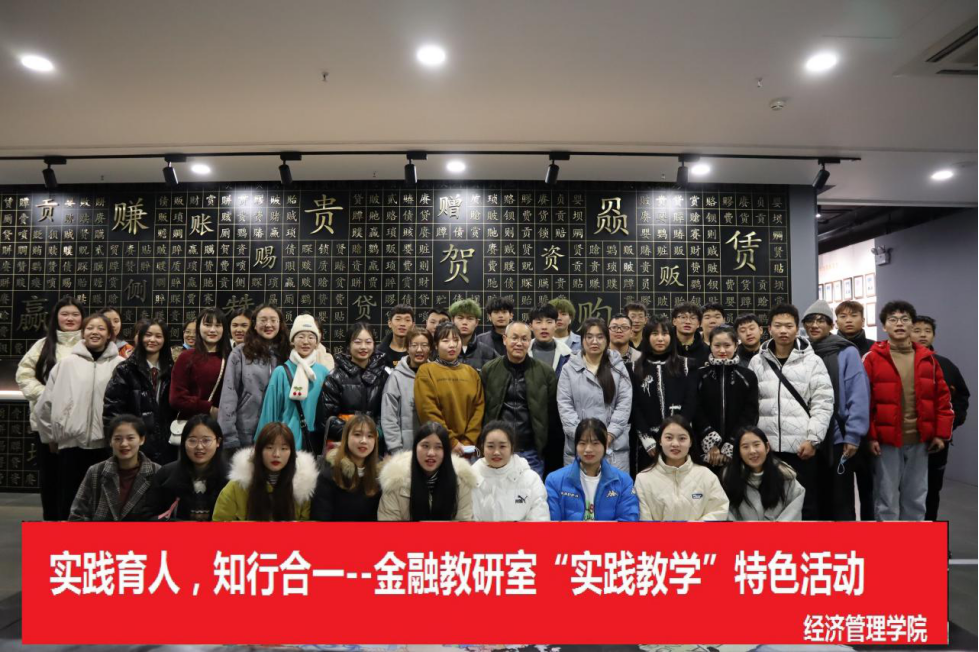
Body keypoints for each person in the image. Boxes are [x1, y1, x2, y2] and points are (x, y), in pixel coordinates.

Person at [864, 301, 952, 521]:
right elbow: (864, 401)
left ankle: (912, 542)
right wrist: (871, 436)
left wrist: (941, 434)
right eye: (893, 320)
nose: (899, 324)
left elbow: (943, 400)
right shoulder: (872, 358)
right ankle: (888, 543)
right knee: (886, 498)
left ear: (912, 324)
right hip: (886, 441)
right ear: (884, 326)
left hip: (920, 440)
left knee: (916, 497)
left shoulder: (928, 359)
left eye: (905, 319)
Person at [749, 304, 834, 520]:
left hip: (801, 447)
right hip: (767, 448)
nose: (783, 331)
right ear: (769, 328)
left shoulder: (812, 361)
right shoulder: (757, 361)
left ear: (797, 328)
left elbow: (823, 402)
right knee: (769, 502)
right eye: (778, 326)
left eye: (789, 326)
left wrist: (813, 439)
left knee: (805, 502)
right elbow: (750, 404)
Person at [35, 313, 123, 519]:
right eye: (90, 328)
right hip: (71, 445)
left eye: (101, 328)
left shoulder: (121, 365)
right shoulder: (66, 364)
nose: (95, 332)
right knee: (70, 500)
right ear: (83, 333)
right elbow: (45, 405)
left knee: (104, 503)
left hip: (106, 446)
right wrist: (50, 436)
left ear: (109, 334)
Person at [16, 297, 85, 520]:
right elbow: (24, 375)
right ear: (56, 317)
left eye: (75, 314)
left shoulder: (88, 344)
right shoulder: (43, 345)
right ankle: (52, 524)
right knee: (51, 477)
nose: (70, 318)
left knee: (77, 478)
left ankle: (75, 524)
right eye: (65, 314)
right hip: (47, 424)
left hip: (80, 424)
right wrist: (47, 396)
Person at [802, 300, 870, 521]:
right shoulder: (801, 351)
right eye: (810, 321)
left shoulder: (846, 351)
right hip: (809, 436)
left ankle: (843, 540)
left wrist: (853, 435)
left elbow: (858, 394)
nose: (815, 325)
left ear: (831, 325)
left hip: (838, 436)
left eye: (821, 320)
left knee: (840, 497)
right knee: (813, 496)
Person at [480, 321, 558, 477]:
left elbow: (552, 414)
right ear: (505, 339)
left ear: (530, 342)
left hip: (531, 450)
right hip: (498, 448)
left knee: (530, 491)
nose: (519, 343)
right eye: (514, 338)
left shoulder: (545, 372)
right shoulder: (489, 370)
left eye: (524, 339)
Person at [912, 315, 971, 521]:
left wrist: (950, 425)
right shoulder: (897, 363)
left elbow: (962, 397)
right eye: (917, 330)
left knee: (932, 490)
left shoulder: (946, 365)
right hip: (904, 440)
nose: (922, 335)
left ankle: (929, 534)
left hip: (936, 441)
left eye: (927, 331)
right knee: (903, 491)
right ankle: (904, 536)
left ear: (934, 335)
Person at [557, 318, 633, 471]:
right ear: (582, 340)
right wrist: (584, 438)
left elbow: (624, 403)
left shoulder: (617, 367)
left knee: (613, 485)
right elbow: (565, 406)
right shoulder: (569, 369)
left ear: (607, 339)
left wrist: (609, 435)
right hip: (579, 445)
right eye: (589, 336)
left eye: (600, 337)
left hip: (613, 445)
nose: (594, 341)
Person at [629, 316, 696, 477]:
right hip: (647, 444)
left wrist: (678, 436)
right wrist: (646, 438)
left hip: (679, 441)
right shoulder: (633, 368)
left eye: (665, 334)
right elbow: (634, 406)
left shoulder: (687, 365)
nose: (660, 338)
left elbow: (691, 401)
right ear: (647, 337)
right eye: (654, 334)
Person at [103, 319, 176, 465]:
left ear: (165, 340)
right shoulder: (125, 370)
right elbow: (112, 410)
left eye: (158, 336)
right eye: (148, 335)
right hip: (134, 446)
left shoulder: (173, 370)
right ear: (140, 337)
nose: (152, 340)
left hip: (167, 446)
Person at [219, 304, 290, 452]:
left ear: (280, 324)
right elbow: (228, 395)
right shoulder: (241, 353)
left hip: (280, 432)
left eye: (273, 320)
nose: (268, 324)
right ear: (255, 325)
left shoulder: (287, 354)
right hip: (246, 433)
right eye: (263, 320)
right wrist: (229, 436)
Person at [212, 422, 318, 521]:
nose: (276, 454)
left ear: (292, 453)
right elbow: (219, 525)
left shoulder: (302, 489)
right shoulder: (238, 486)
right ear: (259, 451)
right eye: (270, 447)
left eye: (284, 448)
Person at [634, 415, 729, 521]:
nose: (675, 444)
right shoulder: (643, 480)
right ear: (660, 441)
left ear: (690, 442)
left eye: (682, 438)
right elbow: (643, 522)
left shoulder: (707, 476)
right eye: (669, 438)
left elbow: (720, 511)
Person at [258, 314, 330, 453]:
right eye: (300, 336)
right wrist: (263, 444)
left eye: (311, 337)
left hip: (314, 442)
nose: (306, 342)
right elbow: (269, 413)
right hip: (285, 443)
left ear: (317, 342)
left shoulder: (323, 372)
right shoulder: (281, 372)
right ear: (292, 340)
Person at [377, 422, 477, 521]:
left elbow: (464, 523)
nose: (431, 453)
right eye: (425, 446)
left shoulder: (461, 481)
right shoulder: (395, 481)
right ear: (415, 448)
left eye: (438, 447)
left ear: (446, 452)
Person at [691, 324, 759, 471]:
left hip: (738, 447)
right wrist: (711, 442)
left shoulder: (747, 376)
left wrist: (732, 443)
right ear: (710, 346)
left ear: (736, 346)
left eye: (727, 345)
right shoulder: (700, 375)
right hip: (705, 451)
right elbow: (695, 409)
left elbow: (750, 412)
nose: (722, 350)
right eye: (717, 345)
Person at [68, 415, 161, 521]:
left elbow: (164, 516)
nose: (124, 444)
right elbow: (76, 516)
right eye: (117, 439)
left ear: (142, 439)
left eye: (130, 438)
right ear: (110, 442)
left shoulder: (157, 472)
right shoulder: (96, 472)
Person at [414, 323, 485, 457]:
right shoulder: (426, 371)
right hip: (438, 446)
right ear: (436, 345)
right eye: (445, 341)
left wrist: (468, 441)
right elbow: (428, 410)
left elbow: (478, 409)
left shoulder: (471, 372)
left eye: (456, 340)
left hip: (467, 449)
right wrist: (451, 441)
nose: (452, 345)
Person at [545, 419, 638, 521]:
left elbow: (629, 521)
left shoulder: (623, 481)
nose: (588, 449)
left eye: (595, 443)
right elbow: (552, 523)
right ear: (576, 446)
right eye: (582, 443)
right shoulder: (555, 481)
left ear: (605, 445)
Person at [317, 322, 389, 451]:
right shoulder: (335, 377)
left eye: (368, 342)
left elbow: (387, 414)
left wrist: (375, 433)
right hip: (342, 447)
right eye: (357, 342)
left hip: (374, 446)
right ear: (348, 345)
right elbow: (325, 420)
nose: (363, 347)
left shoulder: (383, 376)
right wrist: (355, 434)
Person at [147, 415, 228, 521]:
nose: (199, 447)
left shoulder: (231, 478)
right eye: (192, 441)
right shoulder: (166, 474)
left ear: (218, 442)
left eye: (206, 440)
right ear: (183, 441)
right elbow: (148, 517)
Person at [170, 309, 231, 439]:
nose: (212, 330)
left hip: (222, 427)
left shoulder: (231, 358)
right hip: (191, 426)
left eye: (218, 325)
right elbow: (176, 398)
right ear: (198, 327)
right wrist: (209, 408)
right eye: (207, 325)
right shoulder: (186, 357)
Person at [722, 427, 805, 522]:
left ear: (767, 447)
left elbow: (793, 513)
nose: (752, 451)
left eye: (756, 445)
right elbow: (725, 512)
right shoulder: (729, 478)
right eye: (745, 447)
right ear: (739, 452)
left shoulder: (786, 477)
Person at [471, 421, 549, 521]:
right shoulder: (470, 480)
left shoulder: (531, 480)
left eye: (502, 446)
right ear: (482, 447)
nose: (496, 452)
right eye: (490, 446)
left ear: (512, 447)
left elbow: (540, 519)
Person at [311, 414, 383, 521]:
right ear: (346, 437)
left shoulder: (381, 476)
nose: (364, 441)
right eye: (357, 434)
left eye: (370, 436)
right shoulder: (329, 475)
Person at [381, 328, 432, 456]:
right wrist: (396, 449)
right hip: (404, 451)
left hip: (432, 449)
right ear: (407, 348)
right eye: (414, 345)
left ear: (431, 348)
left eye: (424, 345)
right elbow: (389, 417)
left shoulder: (435, 375)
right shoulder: (396, 377)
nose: (419, 350)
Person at [449, 298, 498, 371]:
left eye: (470, 318)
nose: (464, 322)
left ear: (476, 322)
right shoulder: (443, 350)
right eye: (460, 318)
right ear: (452, 320)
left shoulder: (488, 352)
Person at [527, 303, 572, 379]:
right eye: (539, 322)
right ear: (531, 326)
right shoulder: (523, 351)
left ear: (556, 325)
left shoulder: (567, 354)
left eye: (549, 322)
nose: (544, 327)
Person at [672, 302, 710, 369]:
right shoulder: (665, 346)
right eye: (683, 317)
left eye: (693, 318)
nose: (688, 322)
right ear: (674, 321)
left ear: (699, 324)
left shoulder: (706, 350)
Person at [377, 304, 414, 368]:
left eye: (407, 320)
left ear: (413, 325)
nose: (402, 324)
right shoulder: (378, 352)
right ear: (390, 323)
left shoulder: (417, 351)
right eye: (398, 319)